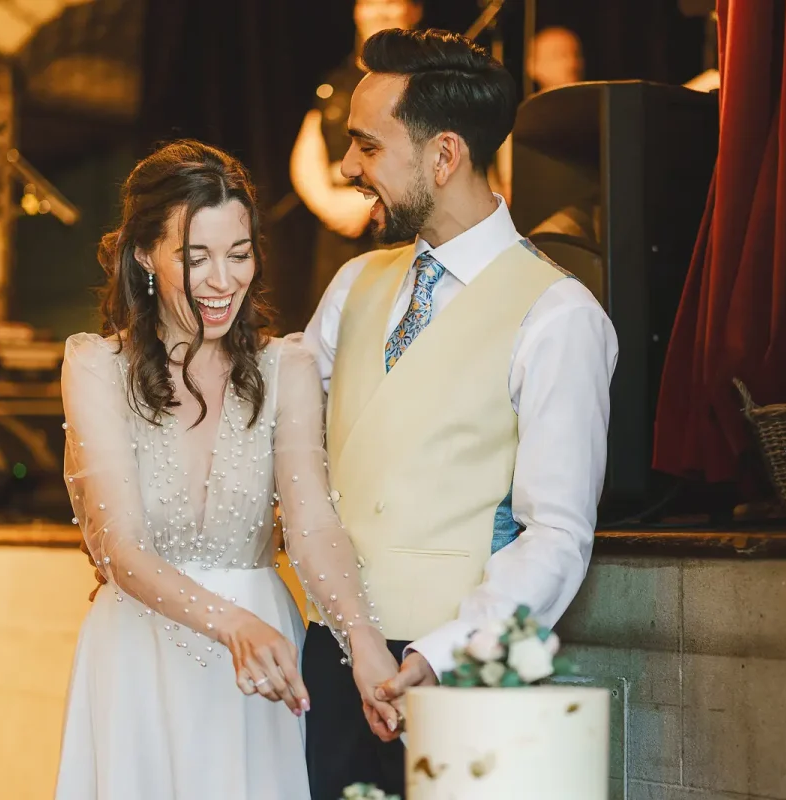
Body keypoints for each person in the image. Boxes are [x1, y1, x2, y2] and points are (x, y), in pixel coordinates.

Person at [299, 28, 618, 799]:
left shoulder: (558, 316)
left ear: (443, 157)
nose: (347, 171)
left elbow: (558, 535)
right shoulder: (349, 287)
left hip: (450, 677)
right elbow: (284, 444)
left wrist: (442, 655)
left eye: (366, 148)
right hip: (328, 657)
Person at [54, 140, 400, 800]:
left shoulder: (285, 368)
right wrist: (234, 624)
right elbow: (121, 550)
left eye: (239, 255)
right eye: (197, 256)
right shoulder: (96, 367)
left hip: (267, 664)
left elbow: (312, 523)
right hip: (138, 656)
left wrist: (363, 643)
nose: (223, 280)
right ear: (145, 255)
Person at [289, 0, 423, 321]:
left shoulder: (426, 84)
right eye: (371, 4)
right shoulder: (334, 83)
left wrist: (370, 203)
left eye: (391, 4)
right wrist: (330, 205)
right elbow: (306, 155)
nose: (380, 12)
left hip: (399, 231)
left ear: (414, 12)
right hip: (339, 234)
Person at [491, 25, 586, 202]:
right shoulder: (519, 123)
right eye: (560, 55)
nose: (572, 64)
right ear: (533, 66)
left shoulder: (594, 117)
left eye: (576, 55)